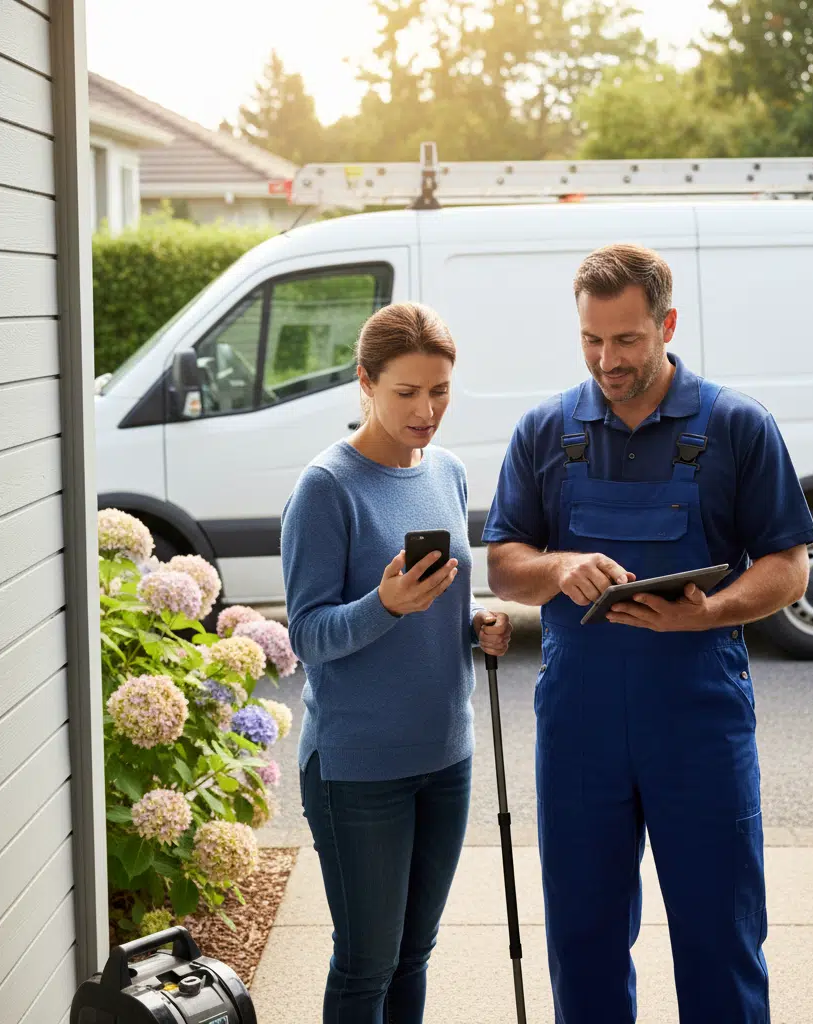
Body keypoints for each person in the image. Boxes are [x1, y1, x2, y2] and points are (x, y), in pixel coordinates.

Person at [482, 243, 813, 1023]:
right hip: (580, 727)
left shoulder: (736, 425)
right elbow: (504, 564)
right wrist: (559, 569)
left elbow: (788, 568)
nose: (608, 359)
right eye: (592, 341)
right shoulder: (545, 430)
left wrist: (709, 610)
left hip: (698, 718)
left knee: (719, 940)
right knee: (583, 939)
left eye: (627, 340)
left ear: (666, 324)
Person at [281, 301, 512, 1024]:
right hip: (359, 771)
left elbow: (441, 601)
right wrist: (385, 606)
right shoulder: (327, 488)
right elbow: (308, 635)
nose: (426, 410)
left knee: (414, 954)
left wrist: (478, 625)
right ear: (365, 383)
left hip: (446, 757)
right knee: (365, 965)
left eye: (439, 390)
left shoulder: (447, 471)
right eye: (407, 392)